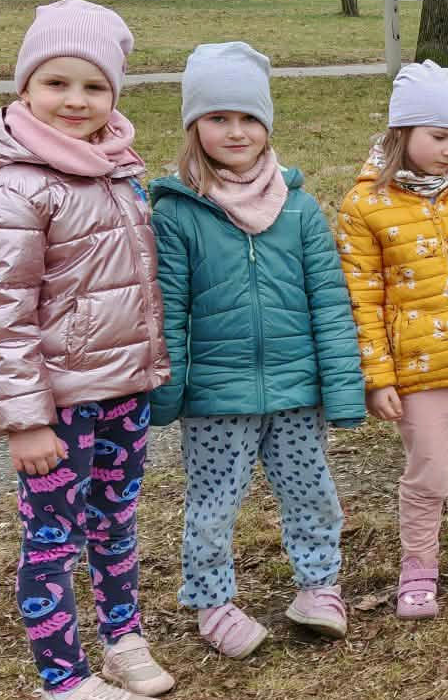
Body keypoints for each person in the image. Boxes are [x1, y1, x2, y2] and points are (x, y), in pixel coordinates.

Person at [0, 0, 173, 700]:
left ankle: (121, 636)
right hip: (57, 406)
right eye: (57, 83)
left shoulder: (113, 165)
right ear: (24, 88)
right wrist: (24, 421)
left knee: (115, 519)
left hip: (120, 390)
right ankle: (64, 688)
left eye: (94, 86)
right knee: (54, 539)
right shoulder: (12, 182)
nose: (75, 100)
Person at [151, 42, 365, 653]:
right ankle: (213, 600)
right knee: (214, 503)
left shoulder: (297, 208)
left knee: (312, 492)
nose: (236, 131)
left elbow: (329, 303)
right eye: (219, 118)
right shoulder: (175, 214)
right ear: (194, 126)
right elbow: (168, 311)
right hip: (217, 400)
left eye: (248, 118)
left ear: (267, 125)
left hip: (298, 394)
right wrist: (167, 396)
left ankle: (319, 585)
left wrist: (343, 392)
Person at [335, 61, 448, 620]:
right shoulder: (365, 207)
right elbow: (361, 300)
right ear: (401, 132)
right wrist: (377, 377)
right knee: (430, 471)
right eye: (438, 137)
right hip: (418, 371)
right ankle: (418, 565)